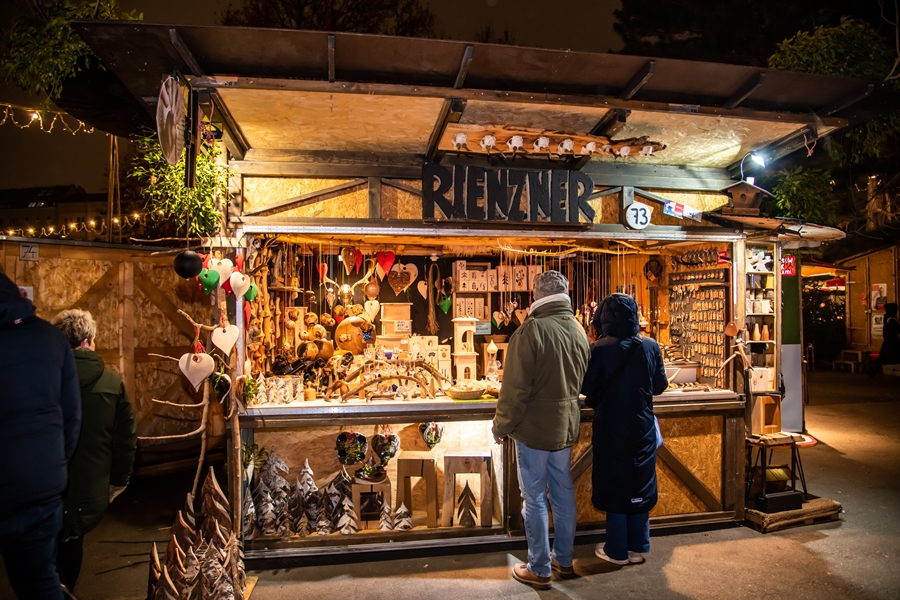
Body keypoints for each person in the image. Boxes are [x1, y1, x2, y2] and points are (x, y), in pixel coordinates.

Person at [492, 270, 590, 590]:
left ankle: (539, 568)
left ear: (536, 294)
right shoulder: (577, 328)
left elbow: (515, 390)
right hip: (565, 425)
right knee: (562, 491)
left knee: (533, 496)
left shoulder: (531, 331)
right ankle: (564, 560)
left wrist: (501, 425)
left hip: (534, 428)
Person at [0, 271, 81, 599]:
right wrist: (54, 465)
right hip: (43, 484)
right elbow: (71, 417)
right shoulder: (51, 339)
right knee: (40, 579)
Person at [51, 309, 137, 592]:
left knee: (45, 552)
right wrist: (119, 481)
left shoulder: (42, 380)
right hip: (89, 488)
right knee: (72, 543)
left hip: (47, 487)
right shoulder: (111, 384)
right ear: (87, 340)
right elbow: (125, 439)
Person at [581, 293, 667, 566]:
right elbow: (660, 386)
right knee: (639, 481)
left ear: (603, 318)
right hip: (642, 427)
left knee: (615, 483)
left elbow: (586, 387)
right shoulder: (650, 345)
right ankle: (637, 548)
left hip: (611, 427)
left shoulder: (599, 349)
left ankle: (616, 550)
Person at [873, 303, 900, 374]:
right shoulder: (892, 320)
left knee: (881, 357)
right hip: (893, 343)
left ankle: (874, 370)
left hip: (888, 342)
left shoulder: (887, 318)